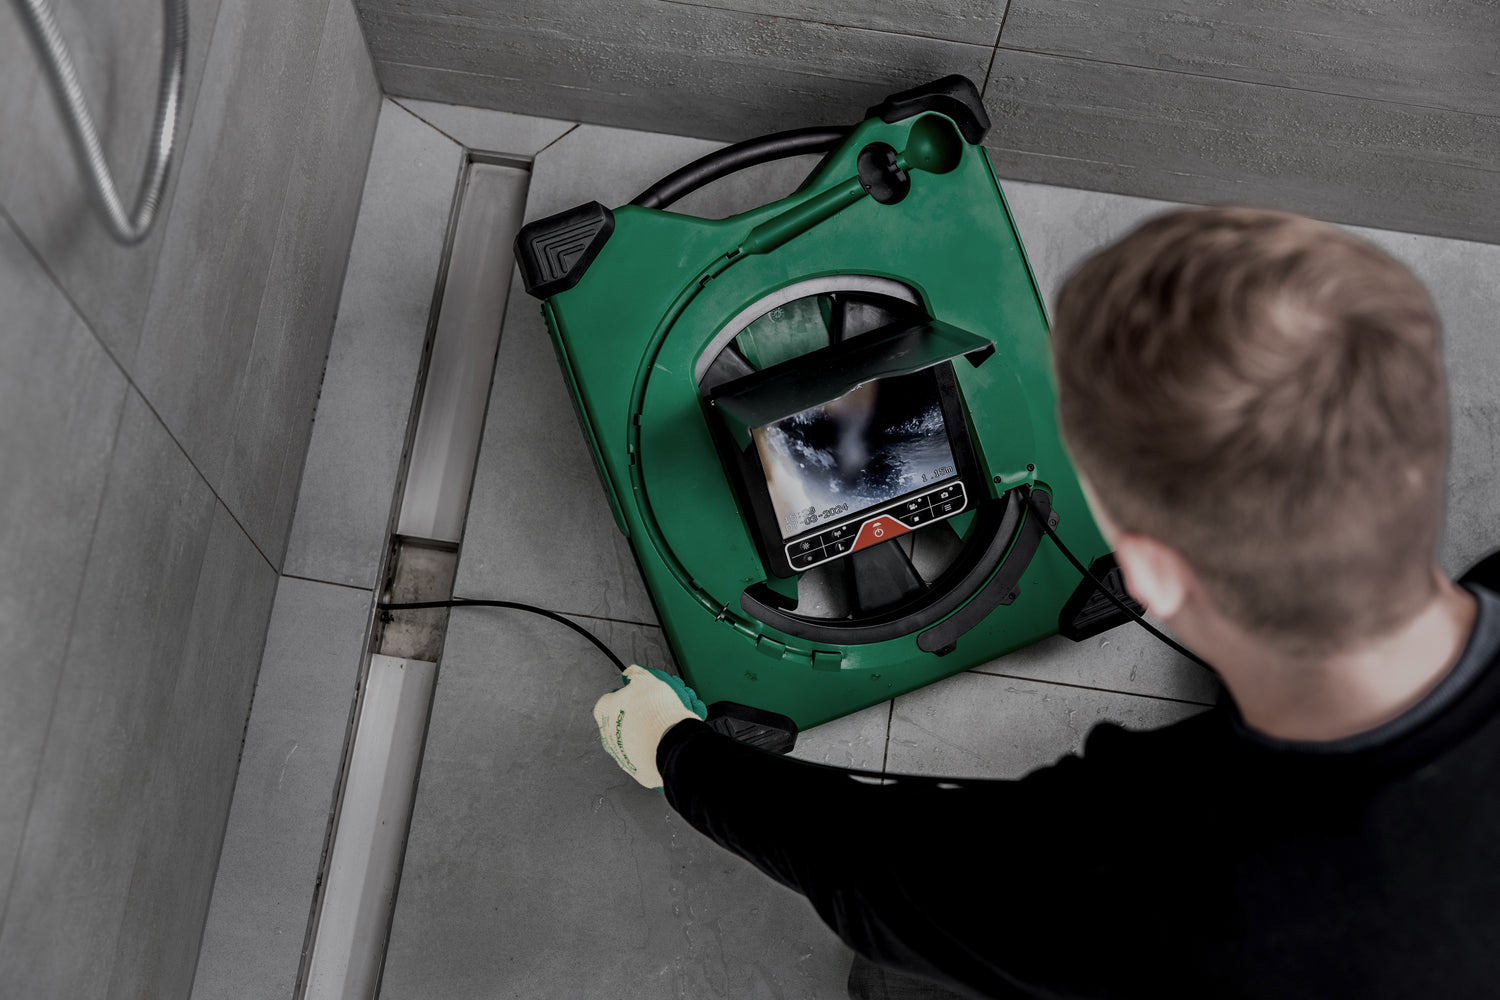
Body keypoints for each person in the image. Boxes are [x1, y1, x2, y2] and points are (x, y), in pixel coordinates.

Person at [592, 207, 1500, 999]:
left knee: (896, 969)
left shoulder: (1145, 880)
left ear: (1151, 576)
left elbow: (873, 875)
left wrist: (676, 748)